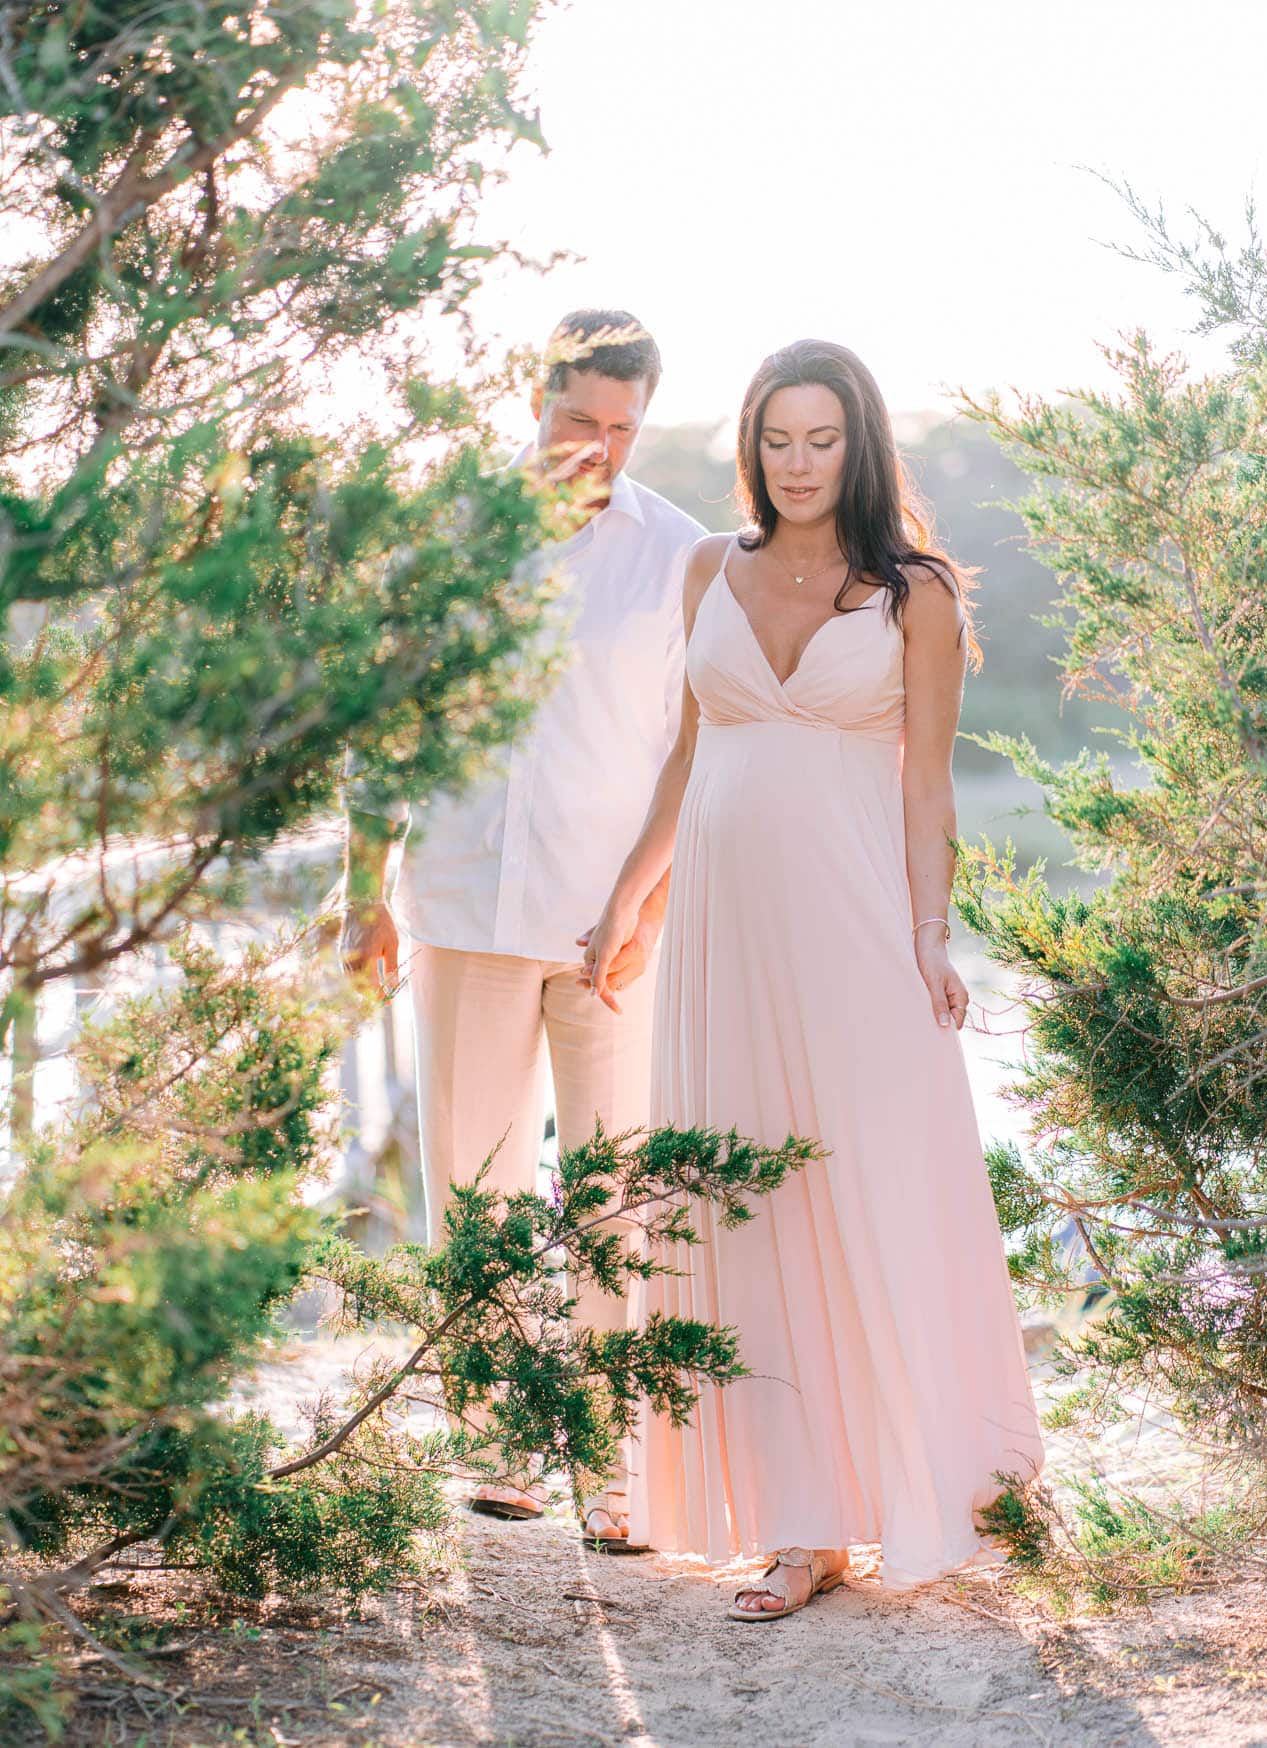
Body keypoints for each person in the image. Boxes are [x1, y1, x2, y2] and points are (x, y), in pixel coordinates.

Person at [581, 338, 1045, 1617]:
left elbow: (927, 781)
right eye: (777, 439)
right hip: (722, 941)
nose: (797, 463)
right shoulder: (703, 571)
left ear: (860, 444)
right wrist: (631, 895)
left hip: (850, 933)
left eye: (820, 440)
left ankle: (931, 1485)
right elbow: (687, 755)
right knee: (744, 1206)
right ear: (752, 445)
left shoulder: (919, 592)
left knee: (871, 1191)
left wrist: (932, 932)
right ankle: (801, 1520)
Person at [341, 309, 706, 1543]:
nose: (595, 448)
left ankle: (617, 1463)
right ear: (532, 400)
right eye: (576, 420)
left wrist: (647, 903)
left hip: (613, 924)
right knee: (476, 1189)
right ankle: (501, 1440)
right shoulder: (448, 535)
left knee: (615, 1193)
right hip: (464, 902)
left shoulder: (679, 554)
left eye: (621, 428)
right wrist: (363, 892)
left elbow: (687, 749)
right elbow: (387, 720)